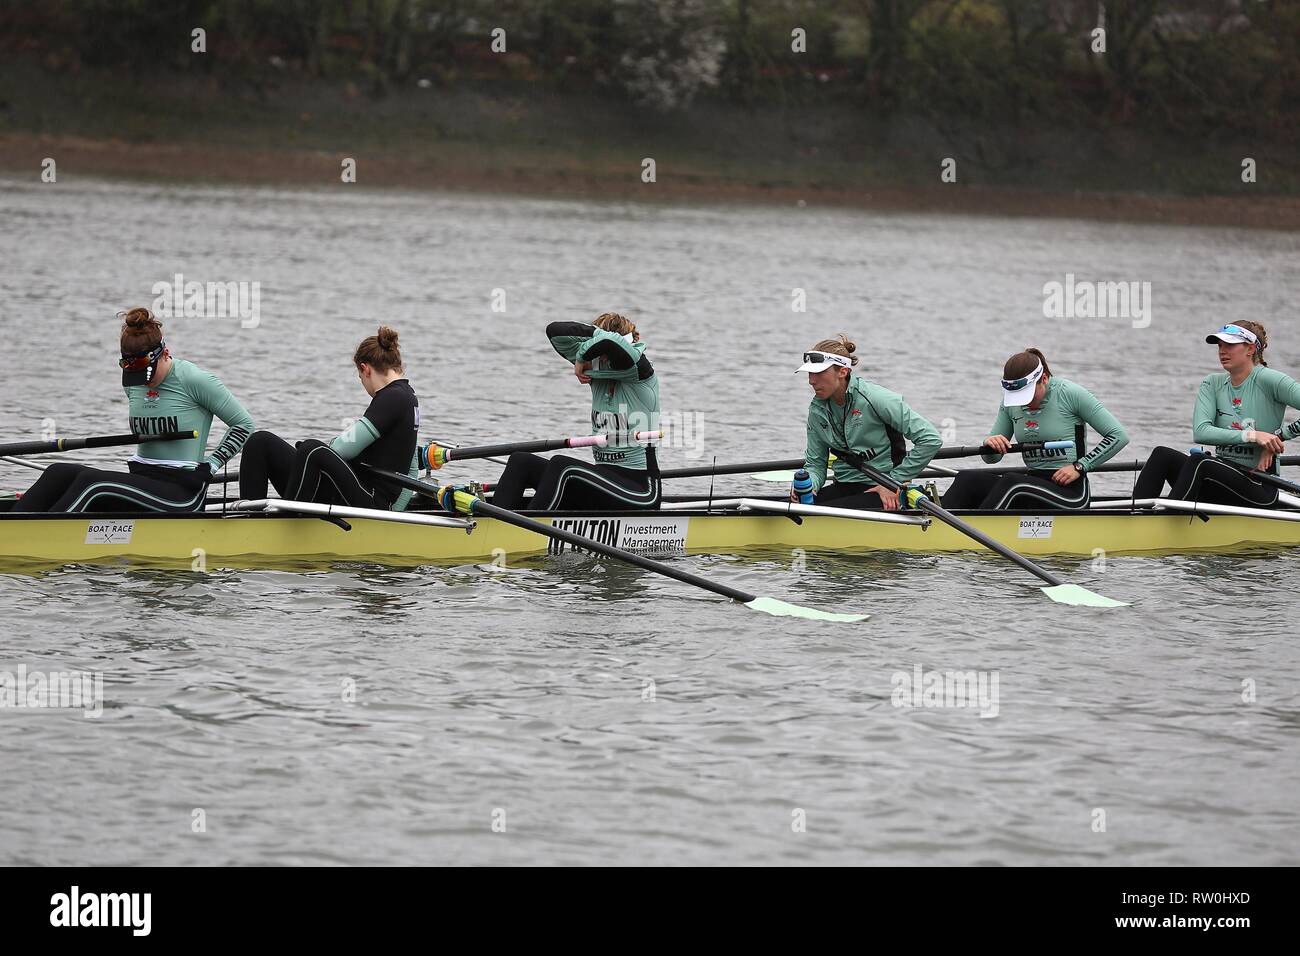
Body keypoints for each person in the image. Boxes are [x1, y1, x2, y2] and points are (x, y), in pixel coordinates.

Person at [12, 308, 253, 513]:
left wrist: (211, 465)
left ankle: (37, 536)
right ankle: (12, 528)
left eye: (146, 374)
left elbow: (243, 424)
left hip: (182, 492)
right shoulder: (133, 382)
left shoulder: (194, 379)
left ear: (164, 353)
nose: (142, 382)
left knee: (92, 483)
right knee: (58, 471)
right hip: (143, 478)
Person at [490, 313, 661, 511]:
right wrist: (593, 338)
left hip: (640, 491)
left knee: (562, 465)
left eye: (597, 348)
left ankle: (522, 531)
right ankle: (491, 526)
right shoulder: (596, 371)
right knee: (520, 460)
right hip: (602, 481)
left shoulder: (641, 370)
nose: (596, 357)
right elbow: (554, 330)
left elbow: (610, 343)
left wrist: (581, 357)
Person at [238, 326, 420, 511]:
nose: (363, 385)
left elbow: (342, 448)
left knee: (311, 450)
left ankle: (286, 525)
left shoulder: (392, 397)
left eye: (360, 378)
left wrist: (392, 515)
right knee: (260, 442)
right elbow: (412, 470)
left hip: (371, 501)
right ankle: (249, 520)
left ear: (365, 370)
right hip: (355, 491)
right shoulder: (408, 397)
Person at [1133, 322, 1300, 507]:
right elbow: (1201, 432)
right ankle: (1135, 517)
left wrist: (1279, 436)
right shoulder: (1212, 383)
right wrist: (1253, 435)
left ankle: (1159, 525)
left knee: (1200, 462)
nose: (1222, 351)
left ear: (1250, 349)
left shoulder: (1271, 380)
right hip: (1217, 478)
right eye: (1220, 345)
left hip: (1258, 485)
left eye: (1230, 345)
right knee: (1162, 455)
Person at [940, 347, 1129, 510]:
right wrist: (990, 444)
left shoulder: (1071, 394)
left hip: (1070, 493)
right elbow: (992, 459)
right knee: (968, 479)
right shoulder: (1009, 404)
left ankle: (973, 534)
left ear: (1044, 379)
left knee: (1013, 481)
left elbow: (1118, 436)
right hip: (1031, 485)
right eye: (1018, 397)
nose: (1024, 403)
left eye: (1027, 395)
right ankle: (935, 528)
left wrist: (1080, 466)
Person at [796, 334, 941, 510]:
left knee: (814, 511)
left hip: (887, 490)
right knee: (783, 508)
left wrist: (894, 482)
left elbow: (931, 439)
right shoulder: (817, 410)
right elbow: (816, 464)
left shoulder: (877, 399)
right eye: (810, 373)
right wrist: (810, 486)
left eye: (819, 373)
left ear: (843, 371)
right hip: (845, 486)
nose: (811, 381)